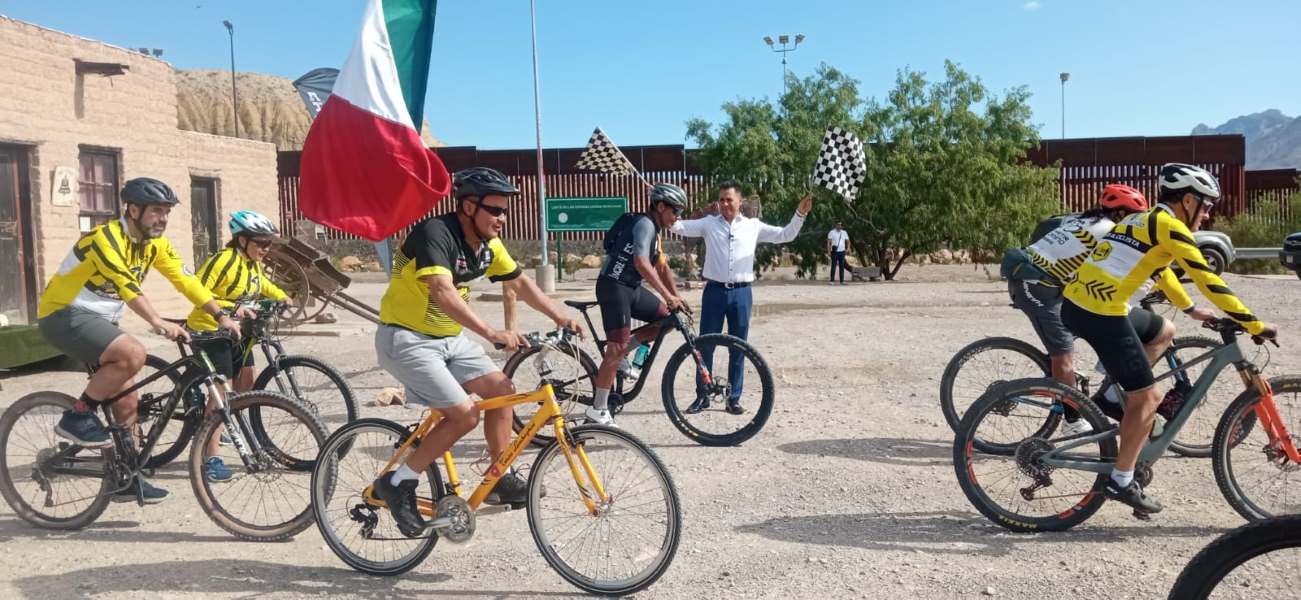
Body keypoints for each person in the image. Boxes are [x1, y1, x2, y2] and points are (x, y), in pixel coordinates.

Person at [370, 167, 583, 537]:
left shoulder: (488, 245)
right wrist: (491, 332)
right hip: (406, 339)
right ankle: (398, 481)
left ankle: (499, 475)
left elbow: (521, 282)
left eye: (505, 211)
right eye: (495, 210)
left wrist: (560, 316)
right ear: (469, 207)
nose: (502, 219)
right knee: (465, 415)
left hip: (449, 340)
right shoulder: (435, 233)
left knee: (503, 391)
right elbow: (442, 290)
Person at [1062, 163, 1277, 515]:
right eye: (1206, 205)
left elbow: (1160, 271)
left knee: (1164, 330)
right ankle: (1120, 480)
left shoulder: (1142, 219)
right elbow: (1207, 278)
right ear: (1188, 200)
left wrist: (1190, 310)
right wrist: (1251, 322)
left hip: (1081, 303)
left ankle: (1114, 396)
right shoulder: (1170, 226)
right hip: (1100, 311)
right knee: (1147, 399)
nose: (1207, 214)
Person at [36, 177, 242, 503]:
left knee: (128, 400)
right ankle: (77, 416)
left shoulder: (153, 245)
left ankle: (126, 478)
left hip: (99, 321)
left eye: (167, 212)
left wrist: (220, 315)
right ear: (133, 210)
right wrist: (157, 321)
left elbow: (185, 280)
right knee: (133, 353)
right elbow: (126, 286)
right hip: (62, 314)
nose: (163, 219)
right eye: (156, 211)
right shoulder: (105, 238)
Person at [1004, 184, 1156, 436]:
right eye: (1133, 217)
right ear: (1121, 213)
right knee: (1063, 356)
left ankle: (1073, 377)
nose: (1134, 224)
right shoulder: (1107, 230)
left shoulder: (1085, 220)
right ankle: (1072, 421)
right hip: (1034, 285)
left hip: (1048, 282)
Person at [672, 181, 811, 414]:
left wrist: (800, 214)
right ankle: (702, 396)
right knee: (705, 346)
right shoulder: (708, 224)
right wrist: (664, 204)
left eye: (729, 199)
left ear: (740, 202)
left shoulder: (752, 226)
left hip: (741, 293)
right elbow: (678, 226)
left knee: (739, 347)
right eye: (721, 200)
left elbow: (785, 234)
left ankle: (733, 398)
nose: (725, 204)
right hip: (714, 292)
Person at [185, 210, 293, 482]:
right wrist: (231, 308)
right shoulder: (224, 260)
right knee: (221, 390)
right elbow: (198, 291)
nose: (266, 249)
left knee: (247, 381)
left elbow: (262, 284)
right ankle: (210, 457)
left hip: (236, 331)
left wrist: (282, 296)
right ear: (242, 240)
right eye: (261, 243)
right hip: (210, 330)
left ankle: (224, 426)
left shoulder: (252, 264)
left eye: (269, 243)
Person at [589, 183, 690, 426]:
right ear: (661, 206)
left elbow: (662, 267)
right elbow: (641, 263)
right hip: (614, 287)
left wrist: (676, 298)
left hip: (630, 288)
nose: (677, 218)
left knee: (666, 319)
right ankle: (598, 409)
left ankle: (625, 352)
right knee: (615, 349)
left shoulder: (656, 230)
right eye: (676, 211)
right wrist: (667, 296)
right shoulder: (645, 224)